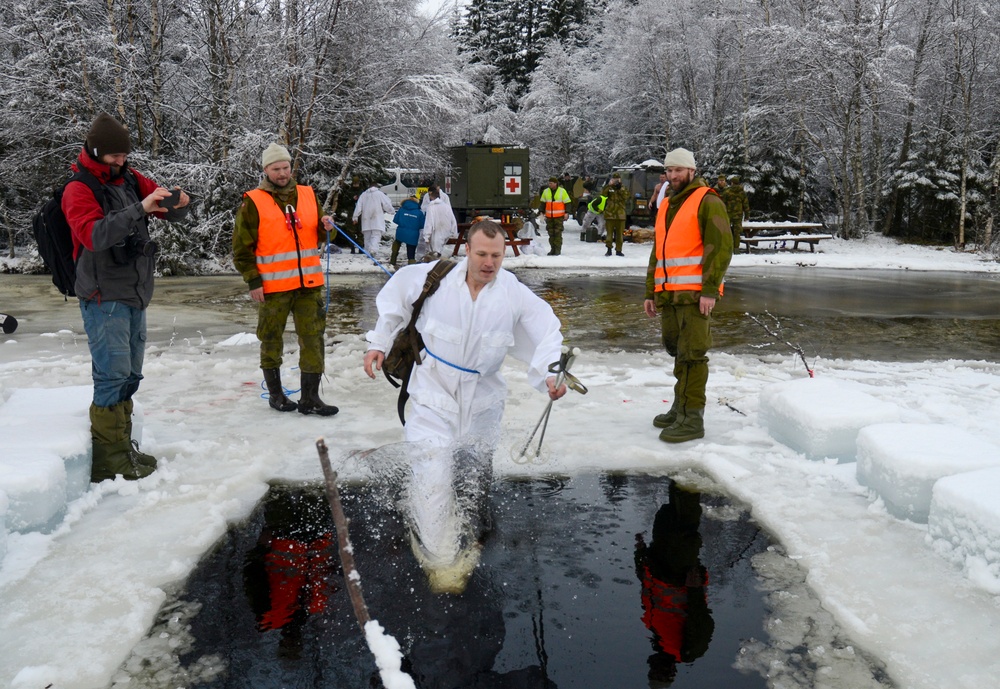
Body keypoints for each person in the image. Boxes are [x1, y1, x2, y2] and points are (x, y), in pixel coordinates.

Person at [363, 219, 567, 592]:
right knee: (433, 473)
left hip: (484, 401)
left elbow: (547, 332)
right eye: (482, 254)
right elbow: (393, 300)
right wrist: (378, 341)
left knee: (473, 477)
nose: (489, 263)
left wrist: (551, 375)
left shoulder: (513, 293)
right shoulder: (433, 279)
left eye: (497, 256)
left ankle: (473, 532)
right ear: (467, 251)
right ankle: (440, 560)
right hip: (433, 395)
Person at [63, 113, 190, 482]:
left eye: (125, 154)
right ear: (96, 150)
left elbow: (163, 204)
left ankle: (124, 448)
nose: (122, 161)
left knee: (130, 375)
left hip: (135, 293)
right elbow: (93, 235)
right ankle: (108, 461)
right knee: (111, 375)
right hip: (103, 297)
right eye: (115, 156)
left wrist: (179, 201)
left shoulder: (131, 178)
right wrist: (140, 208)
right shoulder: (78, 189)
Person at [233, 143, 339, 417]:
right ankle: (277, 394)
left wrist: (328, 227)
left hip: (309, 286)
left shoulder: (306, 194)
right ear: (266, 170)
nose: (282, 173)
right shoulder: (253, 201)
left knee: (313, 338)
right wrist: (253, 281)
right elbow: (241, 248)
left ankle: (310, 397)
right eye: (276, 168)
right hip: (273, 287)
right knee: (270, 338)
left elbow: (320, 234)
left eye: (285, 167)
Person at [643, 147, 732, 443]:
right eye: (669, 171)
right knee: (677, 350)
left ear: (691, 171)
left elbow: (720, 248)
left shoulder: (707, 200)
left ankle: (692, 419)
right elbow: (659, 251)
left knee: (693, 354)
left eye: (678, 170)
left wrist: (710, 291)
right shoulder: (667, 204)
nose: (673, 176)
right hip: (669, 295)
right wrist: (651, 292)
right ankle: (679, 407)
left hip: (695, 296)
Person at [634, 482, 714, 686]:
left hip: (658, 562)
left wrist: (640, 555)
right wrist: (694, 589)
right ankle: (689, 476)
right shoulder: (688, 651)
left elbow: (647, 589)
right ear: (672, 673)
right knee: (684, 524)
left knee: (666, 516)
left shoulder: (656, 634)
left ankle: (679, 476)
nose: (658, 670)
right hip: (680, 573)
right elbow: (701, 619)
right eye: (663, 676)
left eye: (654, 674)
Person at [352, 181, 393, 256]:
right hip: (377, 218)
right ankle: (373, 250)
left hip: (366, 219)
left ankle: (367, 252)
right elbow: (386, 204)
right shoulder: (380, 194)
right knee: (376, 235)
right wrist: (391, 211)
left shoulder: (363, 195)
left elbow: (358, 206)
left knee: (367, 237)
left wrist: (355, 217)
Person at [421, 187, 458, 258]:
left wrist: (427, 236)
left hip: (436, 231)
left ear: (431, 197)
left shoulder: (431, 207)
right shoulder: (446, 206)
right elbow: (453, 219)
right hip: (445, 230)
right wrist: (454, 232)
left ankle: (436, 264)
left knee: (435, 251)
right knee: (439, 249)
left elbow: (429, 222)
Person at [539, 176, 571, 255]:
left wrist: (566, 213)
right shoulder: (546, 191)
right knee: (551, 234)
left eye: (551, 183)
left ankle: (557, 250)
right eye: (549, 183)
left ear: (555, 184)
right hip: (549, 216)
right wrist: (541, 212)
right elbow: (543, 203)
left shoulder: (562, 191)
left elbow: (568, 203)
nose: (549, 184)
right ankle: (552, 249)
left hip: (559, 217)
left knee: (557, 234)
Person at [391, 194, 424, 266]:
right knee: (411, 250)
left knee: (397, 243)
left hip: (401, 232)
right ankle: (411, 264)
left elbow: (395, 220)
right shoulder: (419, 212)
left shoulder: (401, 209)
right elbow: (422, 225)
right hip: (413, 234)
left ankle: (392, 260)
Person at [717, 174, 750, 246]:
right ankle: (736, 249)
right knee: (737, 233)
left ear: (732, 183)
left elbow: (722, 203)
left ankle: (728, 248)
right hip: (738, 215)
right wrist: (747, 216)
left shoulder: (727, 192)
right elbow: (746, 205)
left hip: (728, 214)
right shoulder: (742, 193)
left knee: (726, 231)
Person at [602, 172, 630, 256]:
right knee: (609, 234)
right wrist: (609, 185)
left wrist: (620, 188)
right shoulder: (609, 188)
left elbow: (626, 197)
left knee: (620, 235)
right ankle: (609, 249)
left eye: (617, 179)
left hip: (620, 215)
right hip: (610, 214)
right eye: (614, 179)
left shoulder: (623, 188)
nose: (616, 181)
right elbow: (603, 195)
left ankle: (619, 250)